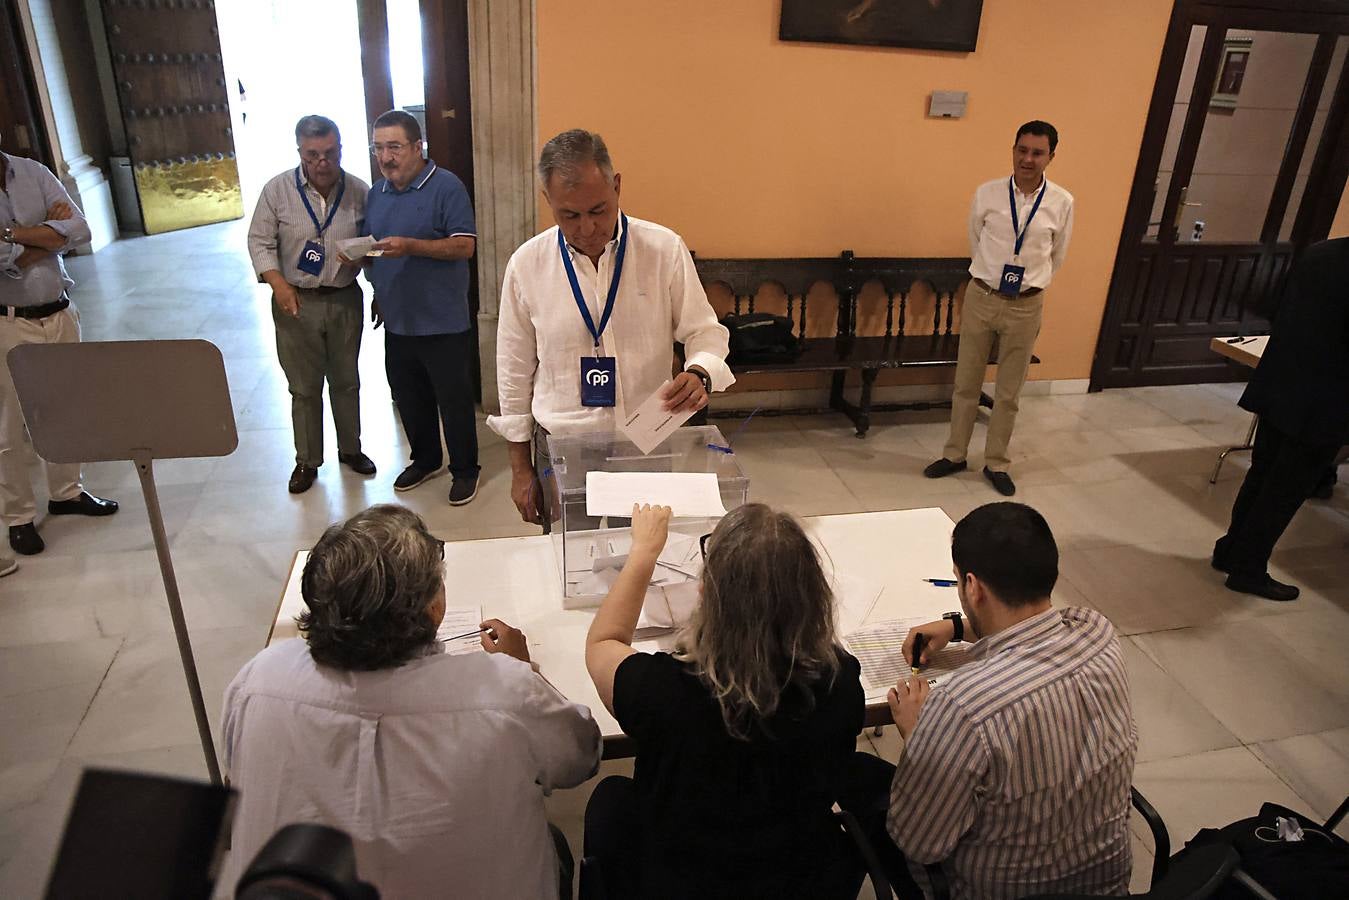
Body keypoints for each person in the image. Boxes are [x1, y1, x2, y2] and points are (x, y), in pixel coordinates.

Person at [221, 504, 600, 899]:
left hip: (297, 885)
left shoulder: (258, 679)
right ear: (433, 608)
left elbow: (237, 771)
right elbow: (581, 758)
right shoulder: (502, 691)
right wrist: (526, 673)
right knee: (555, 841)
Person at [840, 502, 1137, 900]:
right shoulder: (1097, 633)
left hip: (983, 890)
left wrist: (919, 737)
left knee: (856, 771)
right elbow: (1033, 628)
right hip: (1105, 886)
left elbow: (918, 843)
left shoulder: (963, 708)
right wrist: (958, 625)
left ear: (973, 587)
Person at [583, 502, 865, 898]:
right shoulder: (840, 681)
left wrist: (644, 552)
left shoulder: (664, 690)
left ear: (706, 595)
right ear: (815, 595)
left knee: (611, 799)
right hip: (793, 878)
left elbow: (602, 643)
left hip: (682, 879)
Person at [488, 129, 734, 529]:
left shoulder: (662, 249)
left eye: (598, 210)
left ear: (617, 186)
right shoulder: (527, 265)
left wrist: (699, 370)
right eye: (569, 215)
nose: (587, 228)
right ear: (547, 200)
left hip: (645, 436)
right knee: (571, 560)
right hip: (564, 443)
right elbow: (513, 371)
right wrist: (519, 469)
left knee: (637, 558)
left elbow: (704, 331)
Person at [924, 121, 1075, 496]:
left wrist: (1026, 284)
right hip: (982, 297)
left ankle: (996, 461)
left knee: (1009, 392)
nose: (1027, 159)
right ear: (1013, 150)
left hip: (1026, 305)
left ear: (1051, 157)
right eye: (1021, 150)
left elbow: (1057, 256)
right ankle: (955, 454)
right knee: (966, 383)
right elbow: (976, 239)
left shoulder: (1062, 202)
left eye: (1037, 152)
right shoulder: (988, 194)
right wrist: (992, 277)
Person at [1213, 237, 1349, 601]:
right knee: (1287, 488)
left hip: (1282, 380)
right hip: (1326, 396)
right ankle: (1249, 567)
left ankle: (1230, 549)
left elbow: (1279, 307)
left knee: (1262, 474)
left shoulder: (1320, 252)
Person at [1, 136, 118, 557]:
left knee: (66, 407)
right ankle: (18, 516)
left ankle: (67, 492)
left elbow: (80, 229)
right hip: (9, 323)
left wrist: (13, 237)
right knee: (10, 424)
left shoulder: (32, 172)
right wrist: (48, 236)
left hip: (61, 313)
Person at [247, 114, 375, 494]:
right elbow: (259, 241)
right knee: (304, 388)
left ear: (340, 149)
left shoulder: (359, 191)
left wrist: (377, 283)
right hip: (295, 301)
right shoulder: (277, 190)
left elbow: (374, 245)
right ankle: (307, 460)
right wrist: (277, 284)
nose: (322, 162)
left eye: (330, 153)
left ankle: (351, 449)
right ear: (300, 153)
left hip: (343, 299)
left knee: (347, 381)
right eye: (312, 154)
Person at [362, 109, 480, 505]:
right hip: (398, 320)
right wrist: (373, 279)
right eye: (378, 148)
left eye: (394, 147)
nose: (386, 157)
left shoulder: (446, 187)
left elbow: (465, 246)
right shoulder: (376, 193)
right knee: (408, 398)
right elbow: (377, 248)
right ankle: (427, 459)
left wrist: (410, 246)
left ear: (417, 147)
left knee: (454, 401)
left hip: (443, 321)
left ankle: (465, 470)